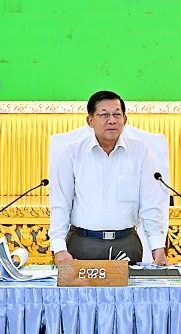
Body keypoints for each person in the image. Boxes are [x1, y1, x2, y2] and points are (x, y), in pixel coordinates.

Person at [50, 90, 168, 265]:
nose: (112, 120)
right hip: (83, 244)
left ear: (125, 120)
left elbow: (150, 204)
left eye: (117, 115)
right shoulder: (72, 153)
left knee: (129, 293)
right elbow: (61, 204)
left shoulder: (140, 151)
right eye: (104, 115)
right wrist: (59, 248)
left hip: (126, 244)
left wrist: (158, 249)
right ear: (90, 121)